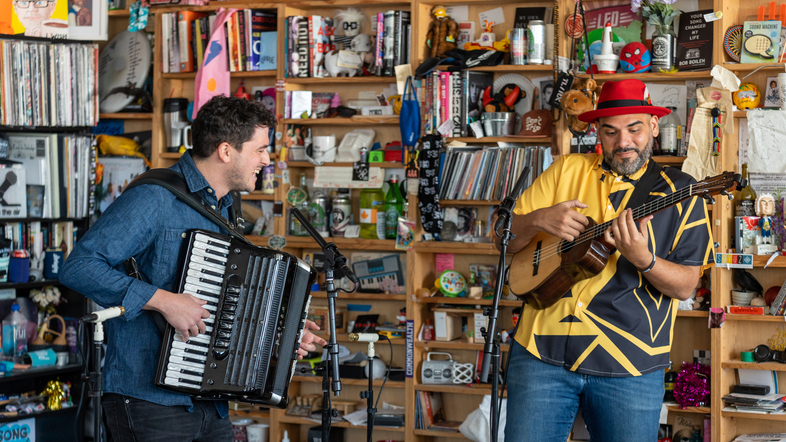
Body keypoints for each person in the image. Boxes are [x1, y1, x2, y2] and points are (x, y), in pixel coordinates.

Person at [59, 96, 327, 442]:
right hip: (147, 400)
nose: (266, 159)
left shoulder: (227, 207)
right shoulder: (155, 198)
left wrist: (281, 332)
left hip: (209, 403)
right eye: (260, 149)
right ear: (226, 151)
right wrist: (165, 301)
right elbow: (79, 267)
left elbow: (220, 300)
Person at [500, 79, 714, 442]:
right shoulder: (566, 170)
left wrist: (644, 259)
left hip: (629, 361)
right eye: (611, 131)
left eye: (634, 129)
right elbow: (503, 240)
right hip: (540, 352)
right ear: (597, 130)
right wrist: (537, 219)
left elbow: (687, 285)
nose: (623, 142)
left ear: (653, 126)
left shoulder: (683, 192)